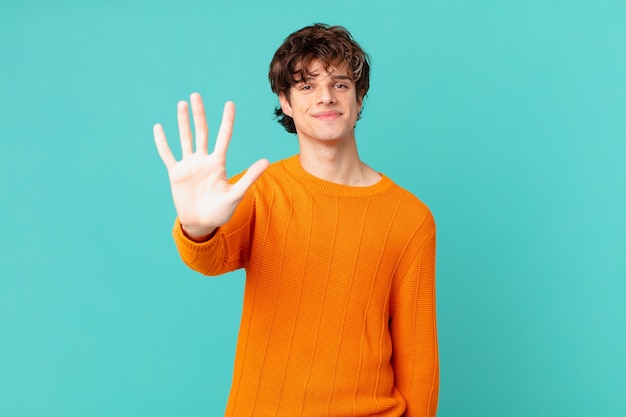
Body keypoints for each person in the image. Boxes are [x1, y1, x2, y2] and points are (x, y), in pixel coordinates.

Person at [154, 23, 438, 417]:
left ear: (359, 98)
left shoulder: (410, 217)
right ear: (285, 102)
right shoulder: (258, 189)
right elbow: (208, 258)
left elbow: (418, 355)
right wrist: (197, 227)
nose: (326, 96)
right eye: (306, 86)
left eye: (340, 84)